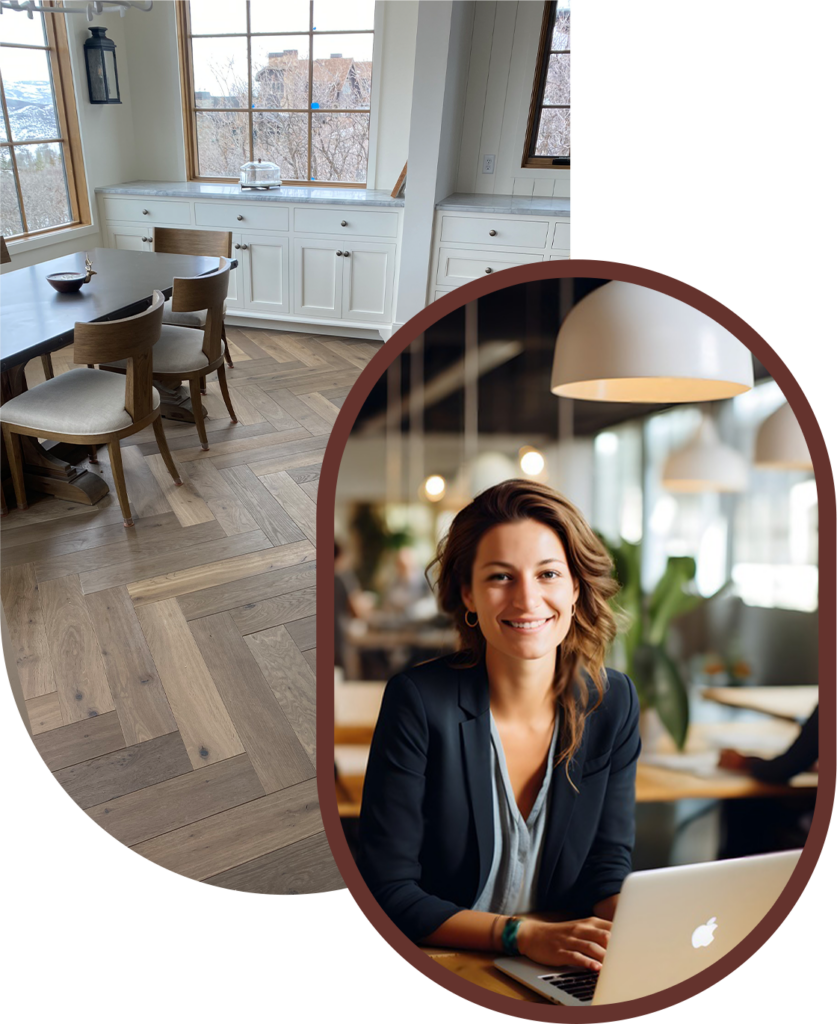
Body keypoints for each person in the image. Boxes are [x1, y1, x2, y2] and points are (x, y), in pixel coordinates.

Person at [356, 480, 641, 973]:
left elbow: (605, 871)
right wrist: (520, 935)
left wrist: (642, 929)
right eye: (500, 578)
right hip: (446, 963)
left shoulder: (612, 702)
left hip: (562, 965)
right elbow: (390, 892)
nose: (527, 600)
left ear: (575, 587)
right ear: (467, 593)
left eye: (548, 573)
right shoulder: (419, 703)